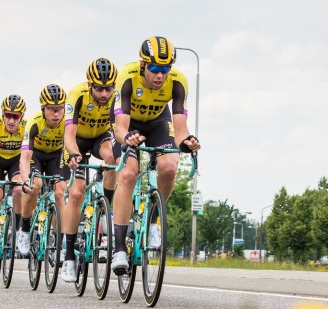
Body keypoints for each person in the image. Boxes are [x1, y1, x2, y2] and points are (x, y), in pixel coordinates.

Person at [111, 36, 201, 274]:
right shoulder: (128, 76)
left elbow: (180, 129)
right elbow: (120, 128)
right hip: (128, 123)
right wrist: (127, 138)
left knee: (170, 166)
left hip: (158, 122)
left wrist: (188, 142)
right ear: (143, 65)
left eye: (165, 69)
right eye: (154, 69)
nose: (160, 75)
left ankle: (153, 222)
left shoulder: (178, 81)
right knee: (129, 174)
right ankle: (119, 248)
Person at [61, 57, 122, 281]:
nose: (104, 94)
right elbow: (68, 134)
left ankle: (106, 208)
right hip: (76, 141)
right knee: (77, 192)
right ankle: (68, 256)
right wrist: (74, 154)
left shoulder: (115, 98)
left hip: (100, 137)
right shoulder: (76, 95)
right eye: (98, 88)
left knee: (112, 159)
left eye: (108, 88)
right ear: (90, 85)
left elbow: (119, 129)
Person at [19, 85, 66, 261]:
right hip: (36, 156)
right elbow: (24, 158)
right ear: (43, 109)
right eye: (51, 110)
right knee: (35, 185)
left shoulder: (66, 122)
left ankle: (60, 242)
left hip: (55, 157)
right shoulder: (34, 123)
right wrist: (25, 181)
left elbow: (69, 150)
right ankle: (24, 229)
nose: (56, 114)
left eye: (59, 109)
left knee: (60, 192)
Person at [0, 95, 28, 269]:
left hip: (16, 161)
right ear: (2, 114)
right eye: (7, 115)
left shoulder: (26, 127)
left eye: (15, 116)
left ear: (21, 116)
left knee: (18, 190)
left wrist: (26, 178)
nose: (10, 120)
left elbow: (26, 156)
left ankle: (16, 230)